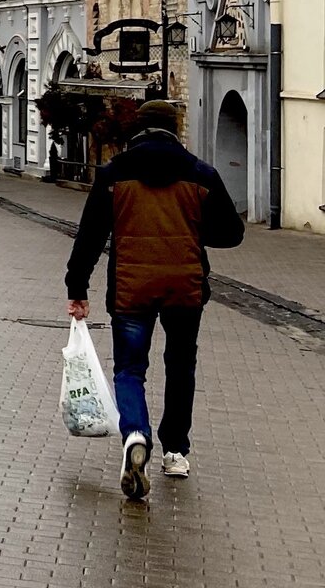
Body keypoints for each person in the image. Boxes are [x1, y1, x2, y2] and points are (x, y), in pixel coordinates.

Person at [64, 100, 244, 501]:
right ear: (174, 129)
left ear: (138, 130)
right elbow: (232, 233)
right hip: (186, 287)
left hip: (131, 286)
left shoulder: (114, 174)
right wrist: (193, 230)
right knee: (181, 367)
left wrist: (77, 288)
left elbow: (90, 236)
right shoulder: (201, 173)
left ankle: (135, 435)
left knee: (130, 368)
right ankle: (176, 450)